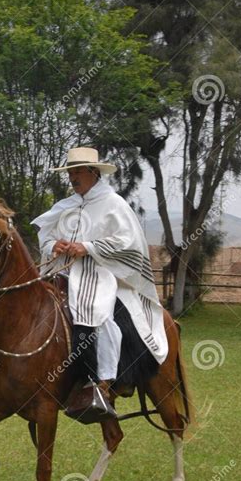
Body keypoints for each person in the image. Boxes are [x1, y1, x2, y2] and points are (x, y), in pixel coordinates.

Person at [31, 146, 168, 420]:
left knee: (92, 318)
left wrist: (88, 247)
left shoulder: (113, 204)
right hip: (62, 274)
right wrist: (52, 246)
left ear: (94, 172)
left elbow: (128, 242)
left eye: (78, 171)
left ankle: (96, 385)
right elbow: (45, 235)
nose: (72, 177)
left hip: (101, 276)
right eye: (70, 171)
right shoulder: (66, 205)